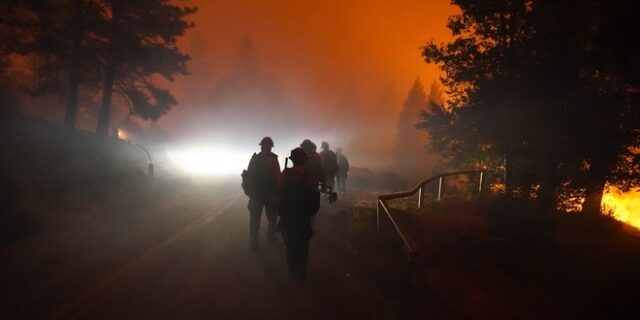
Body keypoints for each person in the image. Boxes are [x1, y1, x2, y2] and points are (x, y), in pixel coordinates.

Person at [277, 147, 318, 284]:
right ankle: (301, 274)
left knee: (289, 246)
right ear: (304, 160)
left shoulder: (285, 174)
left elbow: (278, 195)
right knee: (303, 247)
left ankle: (293, 271)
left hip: (288, 218)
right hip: (303, 219)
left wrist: (281, 212)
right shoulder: (309, 176)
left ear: (292, 160)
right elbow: (314, 200)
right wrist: (308, 214)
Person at [243, 137, 281, 250]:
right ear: (270, 147)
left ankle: (253, 242)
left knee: (254, 220)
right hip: (270, 194)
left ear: (261, 146)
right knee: (272, 218)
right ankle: (271, 237)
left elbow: (248, 175)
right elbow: (278, 177)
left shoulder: (254, 158)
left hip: (256, 194)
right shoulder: (274, 159)